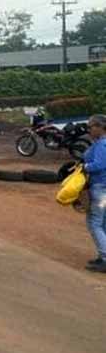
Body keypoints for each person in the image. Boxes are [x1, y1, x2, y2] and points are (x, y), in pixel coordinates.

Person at [83, 114, 106, 273]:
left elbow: (99, 165)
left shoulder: (102, 144)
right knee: (103, 223)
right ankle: (102, 255)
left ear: (100, 127)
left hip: (100, 187)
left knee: (94, 222)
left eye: (91, 126)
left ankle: (105, 257)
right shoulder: (100, 143)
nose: (89, 129)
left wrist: (83, 167)